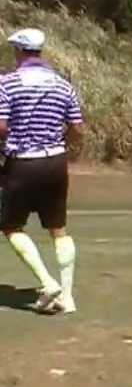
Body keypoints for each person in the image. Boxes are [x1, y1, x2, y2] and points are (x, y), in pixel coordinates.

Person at [0, 28, 84, 314]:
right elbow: (77, 127)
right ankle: (67, 297)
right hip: (55, 162)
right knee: (58, 229)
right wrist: (62, 145)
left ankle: (48, 283)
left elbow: (1, 126)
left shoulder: (7, 84)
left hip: (22, 162)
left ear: (20, 51)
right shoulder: (63, 85)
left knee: (10, 226)